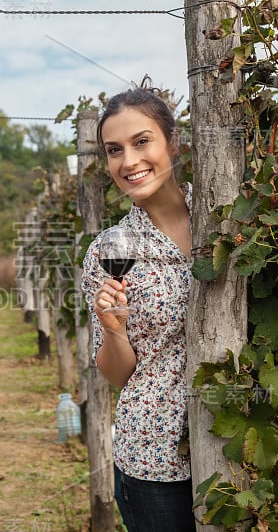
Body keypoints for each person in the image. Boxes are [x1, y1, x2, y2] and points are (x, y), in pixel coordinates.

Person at [81, 87, 195, 531]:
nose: (128, 162)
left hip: (241, 434)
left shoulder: (229, 218)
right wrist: (113, 331)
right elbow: (117, 375)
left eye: (141, 142)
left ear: (173, 142)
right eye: (114, 151)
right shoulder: (109, 250)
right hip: (154, 456)